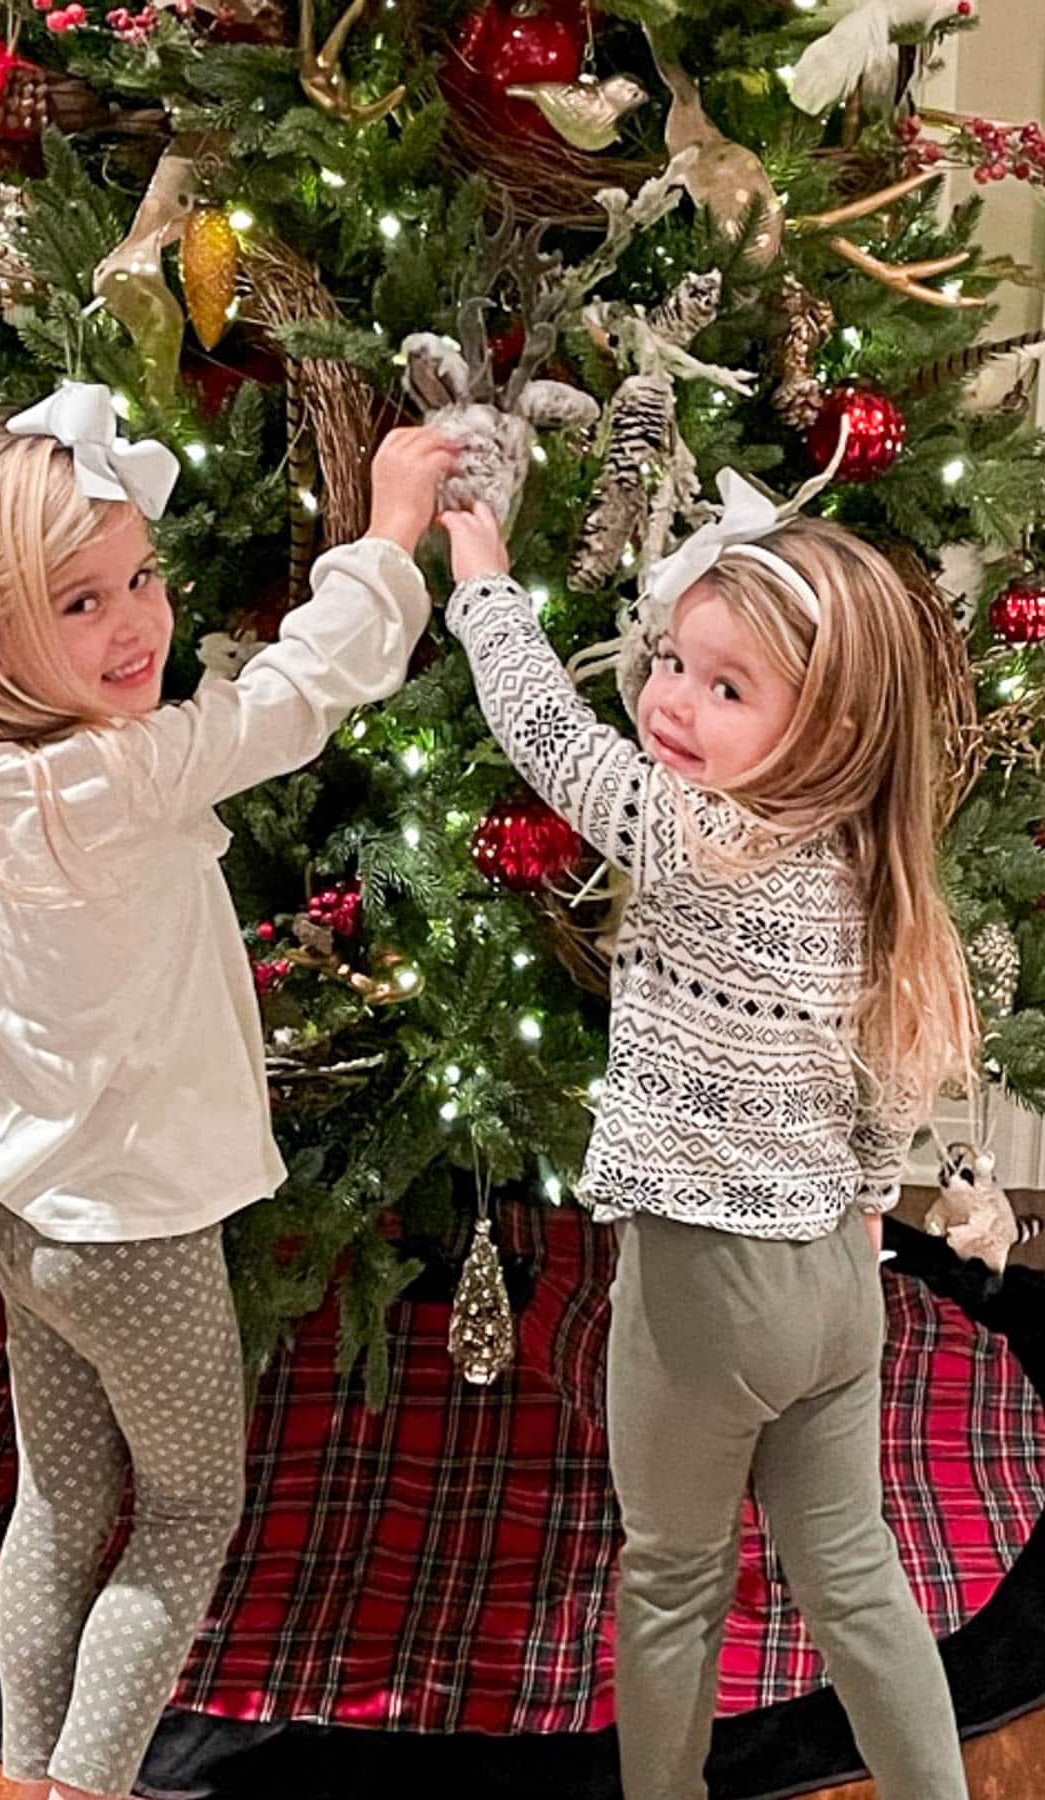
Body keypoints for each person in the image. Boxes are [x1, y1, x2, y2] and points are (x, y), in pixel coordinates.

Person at [0, 381, 455, 1800]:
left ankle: (23, 1775)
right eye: (79, 603)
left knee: (62, 1505)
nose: (135, 625)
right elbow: (302, 690)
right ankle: (86, 1788)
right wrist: (390, 531)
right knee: (190, 1513)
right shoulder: (111, 780)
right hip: (132, 1236)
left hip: (23, 1220)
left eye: (142, 579)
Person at [438, 486, 977, 1800]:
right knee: (855, 1580)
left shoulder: (687, 839)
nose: (671, 700)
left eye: (725, 688)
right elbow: (884, 1083)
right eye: (671, 661)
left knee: (672, 1580)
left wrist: (482, 570)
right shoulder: (868, 870)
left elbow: (545, 732)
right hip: (840, 1292)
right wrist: (859, 1193)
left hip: (703, 1288)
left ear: (827, 729)